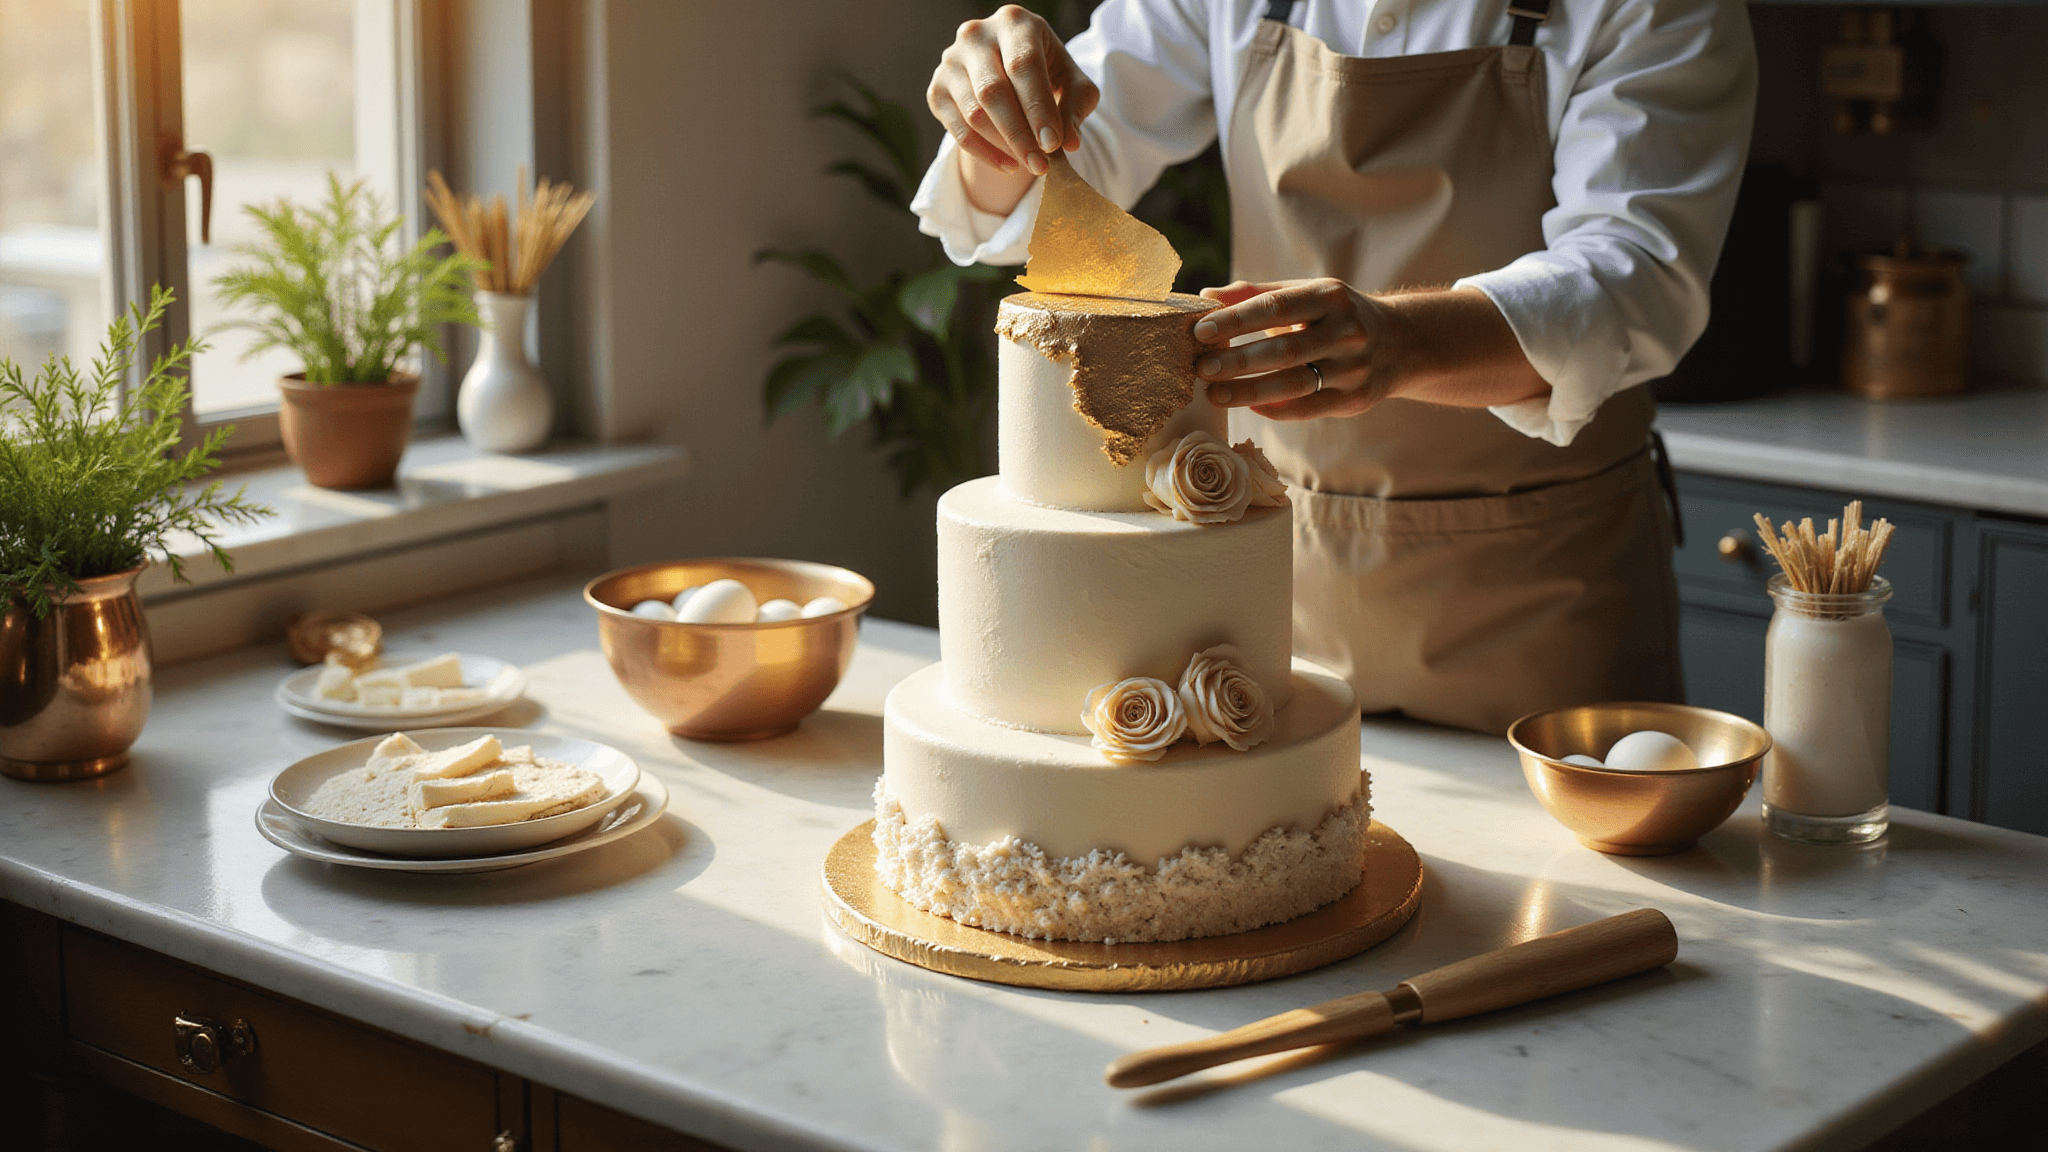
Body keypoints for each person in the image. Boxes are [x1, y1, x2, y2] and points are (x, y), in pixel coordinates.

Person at [912, 0, 1756, 734]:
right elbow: (1054, 172)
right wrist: (998, 124)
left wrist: (1406, 343)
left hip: (1548, 606)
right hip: (1271, 595)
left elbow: (1637, 272)